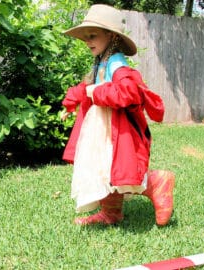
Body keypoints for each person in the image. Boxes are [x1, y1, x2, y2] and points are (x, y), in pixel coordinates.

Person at [60, 4, 175, 226]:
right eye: (86, 37)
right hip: (101, 124)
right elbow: (87, 85)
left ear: (111, 36)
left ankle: (156, 182)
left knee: (115, 167)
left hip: (114, 126)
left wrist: (97, 92)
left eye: (93, 35)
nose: (88, 41)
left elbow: (129, 91)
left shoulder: (116, 63)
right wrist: (71, 102)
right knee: (102, 167)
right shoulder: (101, 61)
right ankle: (111, 213)